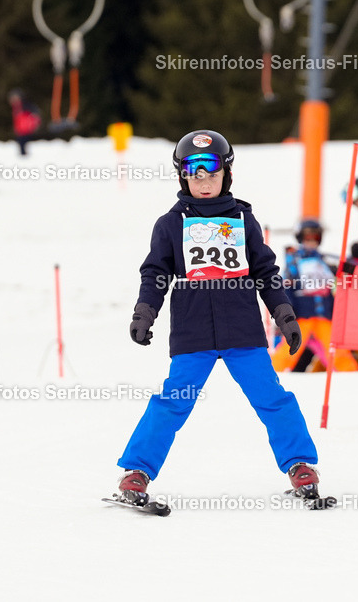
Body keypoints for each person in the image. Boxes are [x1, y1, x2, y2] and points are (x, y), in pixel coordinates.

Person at [116, 130, 325, 506]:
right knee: (172, 401)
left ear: (226, 173)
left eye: (211, 171)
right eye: (194, 172)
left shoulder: (243, 218)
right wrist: (144, 312)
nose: (203, 180)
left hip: (242, 331)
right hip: (193, 333)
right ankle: (137, 473)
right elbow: (155, 274)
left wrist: (284, 314)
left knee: (271, 398)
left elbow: (265, 271)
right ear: (182, 175)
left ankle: (300, 466)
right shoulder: (170, 223)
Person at [271, 219, 358, 373]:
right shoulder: (294, 259)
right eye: (307, 237)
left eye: (315, 237)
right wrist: (287, 311)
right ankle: (272, 374)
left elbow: (351, 269)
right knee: (289, 348)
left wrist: (357, 259)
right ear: (300, 238)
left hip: (323, 315)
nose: (311, 241)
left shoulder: (325, 260)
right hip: (302, 314)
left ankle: (350, 375)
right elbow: (286, 286)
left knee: (336, 349)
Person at [8, 89, 41, 157]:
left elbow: (35, 116)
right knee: (21, 144)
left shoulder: (26, 106)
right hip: (21, 130)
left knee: (25, 143)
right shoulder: (16, 108)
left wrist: (33, 125)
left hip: (27, 129)